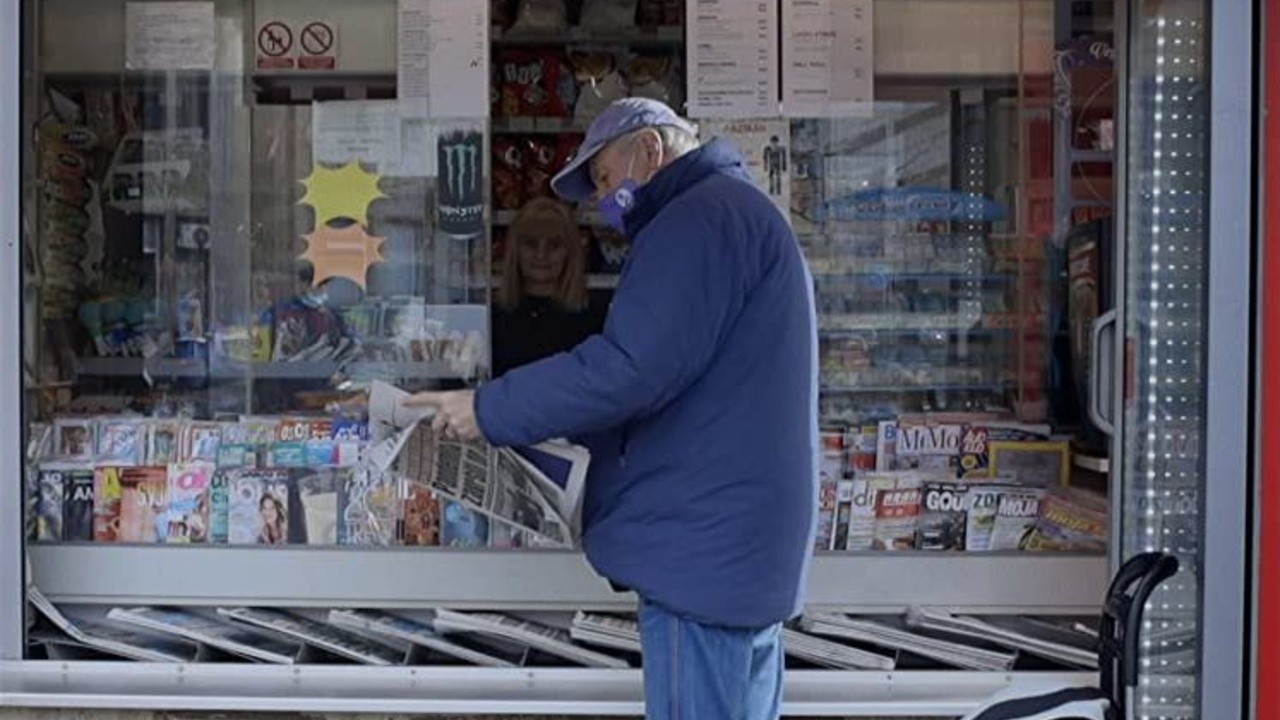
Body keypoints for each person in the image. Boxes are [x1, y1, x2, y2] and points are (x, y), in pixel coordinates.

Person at [408, 98, 818, 720]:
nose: (600, 201)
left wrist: (488, 409)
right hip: (734, 545)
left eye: (603, 178)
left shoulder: (696, 221)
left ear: (649, 152)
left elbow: (632, 368)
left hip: (701, 554)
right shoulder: (734, 211)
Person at [492, 197, 606, 376]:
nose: (541, 255)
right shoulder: (491, 318)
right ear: (515, 251)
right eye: (531, 244)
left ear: (570, 253)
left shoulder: (597, 319)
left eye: (554, 245)